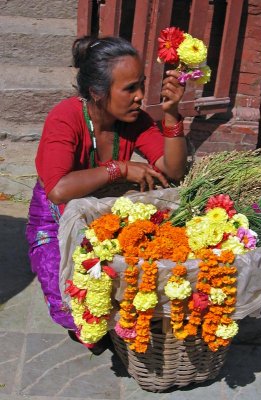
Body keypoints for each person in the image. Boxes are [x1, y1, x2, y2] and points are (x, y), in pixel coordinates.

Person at [26, 35, 188, 354]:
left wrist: (172, 115)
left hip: (106, 212)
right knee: (74, 305)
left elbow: (174, 169)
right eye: (130, 89)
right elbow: (58, 190)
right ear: (97, 93)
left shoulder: (136, 121)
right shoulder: (65, 118)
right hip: (55, 219)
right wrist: (121, 169)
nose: (141, 96)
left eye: (141, 84)